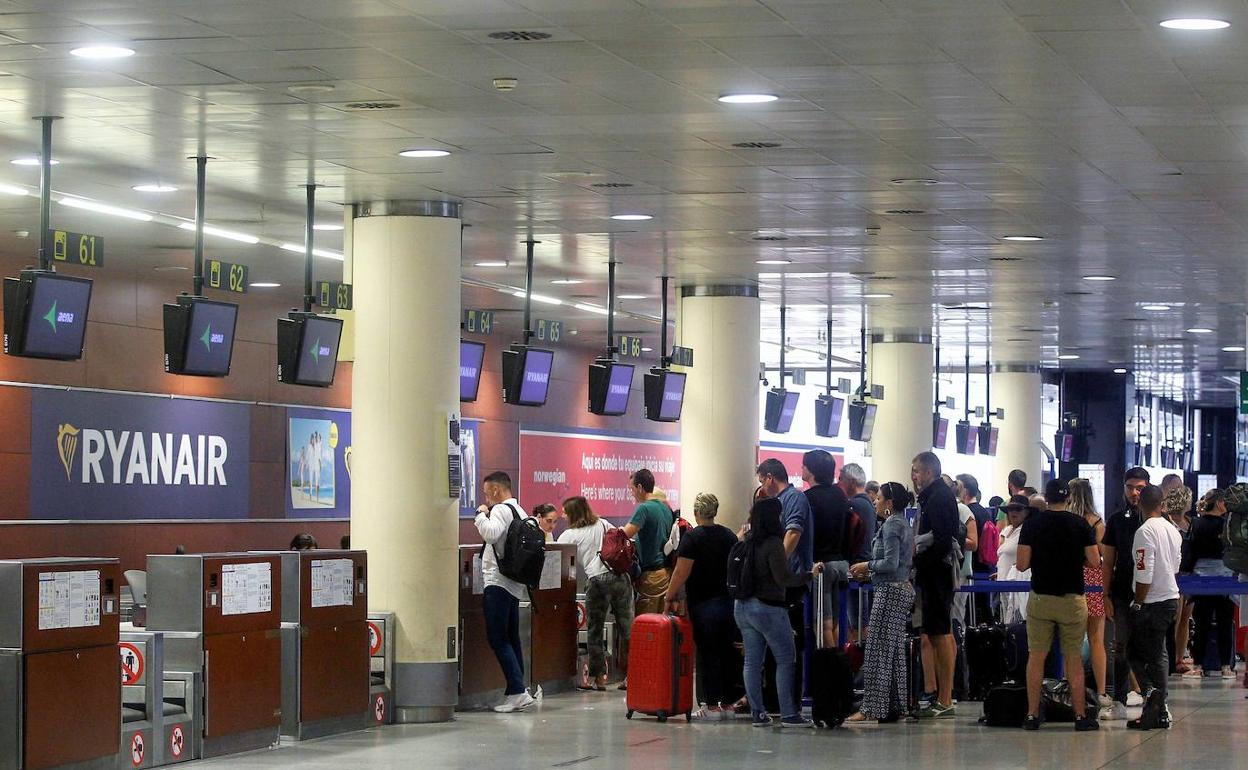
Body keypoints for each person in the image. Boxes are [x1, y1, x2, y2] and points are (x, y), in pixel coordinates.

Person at [1015, 479, 1101, 731]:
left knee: (1036, 657)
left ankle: (1032, 715)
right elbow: (1095, 562)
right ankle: (1080, 716)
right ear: (1069, 499)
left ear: (1046, 497)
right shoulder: (1080, 524)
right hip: (1072, 599)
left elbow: (1021, 564)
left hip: (1041, 598)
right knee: (1073, 659)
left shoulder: (1032, 524)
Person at [733, 496, 823, 729]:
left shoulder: (747, 540)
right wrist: (808, 575)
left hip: (742, 607)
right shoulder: (773, 543)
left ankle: (758, 714)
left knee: (752, 662)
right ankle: (788, 713)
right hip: (768, 608)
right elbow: (783, 578)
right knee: (785, 659)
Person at [664, 493, 740, 719]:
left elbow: (681, 572)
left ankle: (710, 705)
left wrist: (669, 596)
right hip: (728, 602)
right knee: (726, 651)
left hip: (704, 604)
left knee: (707, 654)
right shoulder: (729, 536)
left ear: (697, 512)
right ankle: (727, 703)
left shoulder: (693, 538)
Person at [846, 482, 916, 723]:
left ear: (889, 503)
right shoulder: (903, 524)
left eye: (879, 498)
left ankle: (872, 708)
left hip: (890, 591)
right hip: (901, 588)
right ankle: (895, 705)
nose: (874, 501)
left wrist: (867, 566)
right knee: (894, 650)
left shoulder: (891, 526)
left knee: (877, 650)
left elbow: (890, 562)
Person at [473, 471, 536, 713]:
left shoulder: (499, 510)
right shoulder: (520, 510)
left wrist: (480, 515)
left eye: (487, 493)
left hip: (498, 582)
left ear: (497, 490)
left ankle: (517, 691)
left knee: (498, 638)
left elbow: (491, 533)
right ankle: (518, 690)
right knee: (511, 637)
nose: (486, 498)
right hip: (514, 583)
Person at [558, 496, 632, 692]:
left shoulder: (569, 535)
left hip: (597, 581)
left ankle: (599, 679)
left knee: (595, 631)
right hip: (620, 577)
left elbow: (557, 557)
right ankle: (634, 676)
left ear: (573, 513)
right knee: (628, 630)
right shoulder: (603, 523)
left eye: (565, 511)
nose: (562, 515)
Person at [1127, 484, 1182, 731]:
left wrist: (1138, 602)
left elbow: (1143, 572)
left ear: (1140, 504)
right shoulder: (1173, 531)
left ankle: (1152, 695)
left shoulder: (1144, 532)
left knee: (1135, 655)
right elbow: (1176, 566)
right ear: (1162, 504)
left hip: (1151, 601)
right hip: (1170, 598)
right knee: (1159, 654)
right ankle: (1160, 709)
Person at [757, 457, 814, 698]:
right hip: (778, 582)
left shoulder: (794, 499)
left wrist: (774, 567)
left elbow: (793, 534)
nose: (760, 487)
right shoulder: (775, 502)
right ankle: (773, 698)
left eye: (762, 481)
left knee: (788, 645)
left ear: (770, 478)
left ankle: (789, 700)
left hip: (790, 581)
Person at [911, 451, 959, 718]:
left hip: (937, 575)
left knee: (940, 634)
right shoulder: (935, 497)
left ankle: (945, 697)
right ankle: (943, 695)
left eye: (917, 470)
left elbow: (942, 540)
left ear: (929, 472)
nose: (914, 476)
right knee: (938, 632)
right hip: (934, 574)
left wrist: (918, 562)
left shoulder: (939, 498)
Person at [1102, 467, 1150, 718]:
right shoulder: (1116, 520)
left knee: (1150, 647)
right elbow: (1108, 561)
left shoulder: (1156, 521)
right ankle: (1119, 700)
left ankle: (1154, 698)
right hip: (1121, 591)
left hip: (1152, 594)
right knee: (1120, 646)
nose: (1134, 492)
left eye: (1140, 488)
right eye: (1130, 487)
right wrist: (1105, 595)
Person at [1181, 489, 1236, 679]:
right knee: (1224, 623)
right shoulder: (1228, 526)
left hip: (1201, 581)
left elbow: (1190, 551)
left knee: (1202, 624)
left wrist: (1186, 573)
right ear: (1220, 503)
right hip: (1226, 580)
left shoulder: (1197, 524)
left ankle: (1198, 665)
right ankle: (1225, 667)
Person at [1067, 478, 1110, 717]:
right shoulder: (1097, 523)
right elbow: (1102, 556)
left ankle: (1070, 688)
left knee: (1070, 640)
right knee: (1096, 639)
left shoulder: (1066, 521)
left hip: (1070, 580)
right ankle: (1102, 692)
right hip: (1093, 581)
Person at [802, 449, 852, 647]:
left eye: (804, 466)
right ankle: (839, 663)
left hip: (821, 565)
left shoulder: (807, 498)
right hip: (841, 563)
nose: (802, 469)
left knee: (822, 623)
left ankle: (830, 669)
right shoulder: (839, 495)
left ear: (812, 470)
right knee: (837, 621)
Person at [622, 468, 674, 617]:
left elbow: (625, 534)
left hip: (651, 576)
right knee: (661, 624)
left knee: (646, 625)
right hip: (665, 574)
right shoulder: (665, 508)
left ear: (639, 487)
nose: (631, 493)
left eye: (631, 489)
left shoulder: (644, 508)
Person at [1162, 486, 1195, 675]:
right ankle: (1170, 656)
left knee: (1185, 618)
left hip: (1189, 574)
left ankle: (1179, 657)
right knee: (1174, 618)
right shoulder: (1167, 520)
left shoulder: (1190, 522)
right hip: (1173, 574)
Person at [996, 495, 1033, 624]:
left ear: (1026, 512)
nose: (1013, 512)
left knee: (1017, 622)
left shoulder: (1027, 531)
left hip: (1019, 585)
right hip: (1002, 583)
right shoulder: (1007, 530)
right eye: (1010, 509)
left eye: (1018, 509)